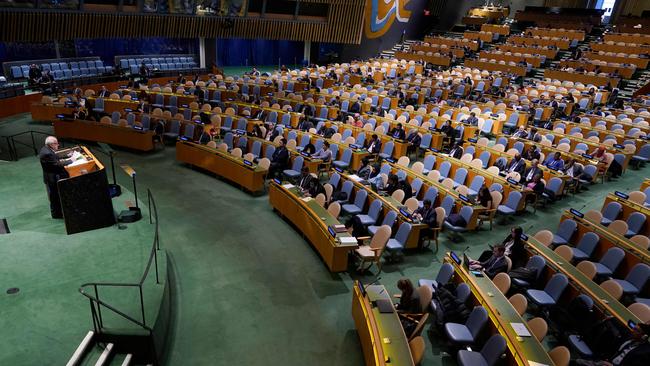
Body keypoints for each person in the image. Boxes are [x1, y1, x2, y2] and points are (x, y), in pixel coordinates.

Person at [576, 323, 650, 366]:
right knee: (577, 362)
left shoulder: (644, 352)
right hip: (606, 361)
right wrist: (612, 318)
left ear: (644, 336)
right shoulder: (629, 337)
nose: (632, 331)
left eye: (636, 330)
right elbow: (622, 327)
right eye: (634, 328)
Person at [39, 136, 75, 219]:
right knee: (55, 197)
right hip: (52, 178)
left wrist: (67, 156)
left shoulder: (47, 149)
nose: (58, 145)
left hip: (51, 176)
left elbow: (54, 158)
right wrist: (71, 160)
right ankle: (57, 214)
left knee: (55, 196)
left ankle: (57, 213)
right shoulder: (47, 153)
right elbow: (56, 164)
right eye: (56, 143)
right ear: (51, 144)